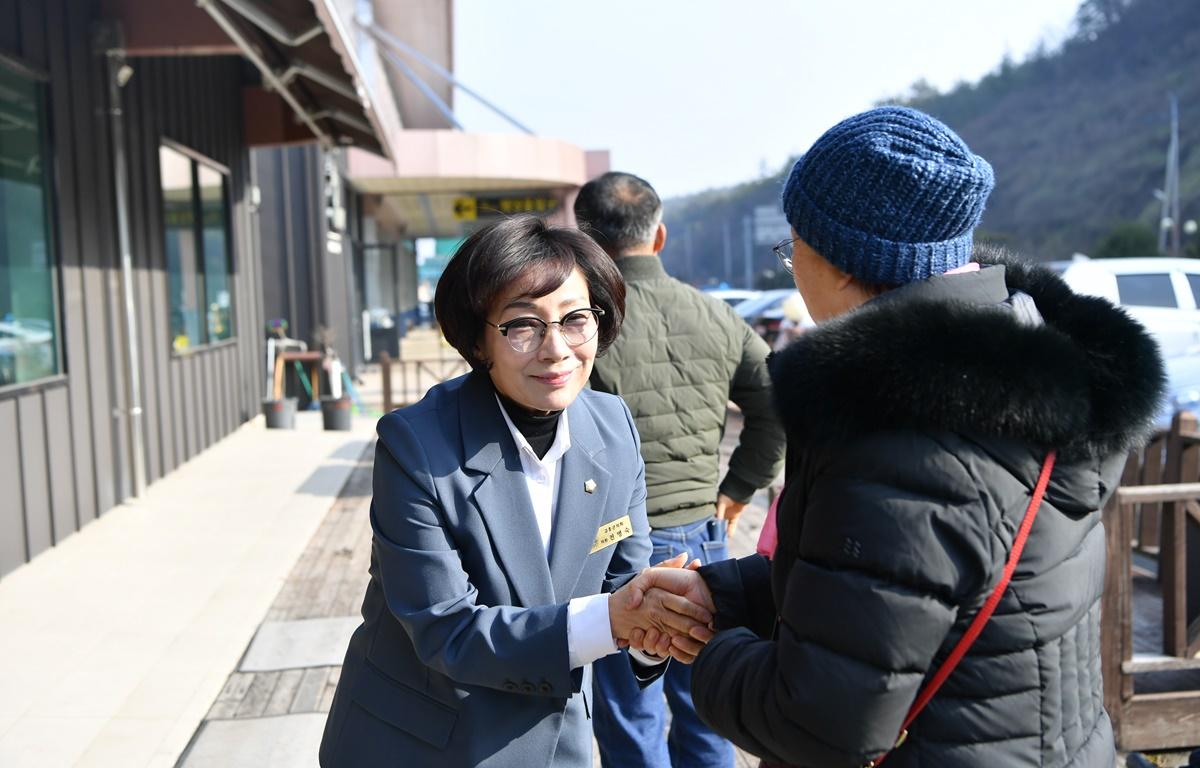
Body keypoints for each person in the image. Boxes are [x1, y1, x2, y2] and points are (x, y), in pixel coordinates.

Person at [631, 106, 1164, 767]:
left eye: (794, 245)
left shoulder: (893, 432)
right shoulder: (1034, 358)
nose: (792, 264)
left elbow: (821, 722)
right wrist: (732, 593)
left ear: (848, 264)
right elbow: (918, 588)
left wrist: (710, 644)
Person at [319, 215, 716, 768]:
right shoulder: (416, 445)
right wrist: (616, 618)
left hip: (557, 740)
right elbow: (446, 629)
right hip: (428, 743)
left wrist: (660, 618)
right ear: (479, 340)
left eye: (576, 319)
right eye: (523, 326)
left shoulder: (613, 424)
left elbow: (626, 579)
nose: (556, 350)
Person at [574, 172, 786, 768]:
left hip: (617, 546)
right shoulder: (719, 316)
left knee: (628, 715)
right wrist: (739, 488)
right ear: (660, 235)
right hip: (706, 539)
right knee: (706, 708)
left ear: (583, 240)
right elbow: (777, 407)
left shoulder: (581, 327)